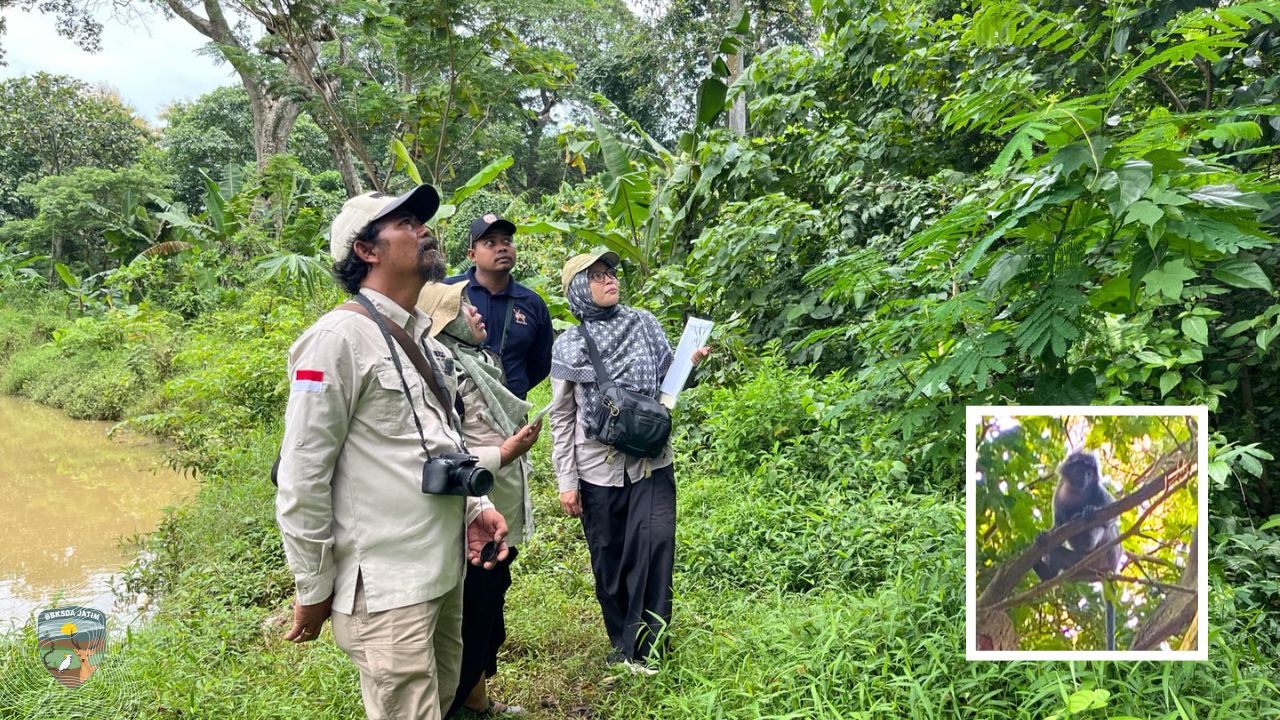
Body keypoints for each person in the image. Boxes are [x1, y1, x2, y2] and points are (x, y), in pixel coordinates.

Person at [274, 185, 539, 720]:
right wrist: (313, 584)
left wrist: (473, 509)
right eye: (405, 222)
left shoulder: (421, 337)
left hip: (443, 571)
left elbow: (437, 444)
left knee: (443, 703)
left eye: (421, 220)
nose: (423, 229)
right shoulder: (335, 340)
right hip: (388, 585)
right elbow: (303, 475)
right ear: (366, 250)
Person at [548, 249, 710, 675]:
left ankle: (650, 648)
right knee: (610, 557)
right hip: (597, 468)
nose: (609, 281)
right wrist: (566, 479)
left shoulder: (644, 324)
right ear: (578, 290)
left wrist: (687, 368)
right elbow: (563, 418)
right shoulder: (569, 344)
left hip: (652, 461)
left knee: (656, 549)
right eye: (597, 276)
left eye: (611, 273)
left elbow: (666, 388)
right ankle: (623, 644)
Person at [417, 281, 539, 717]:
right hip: (470, 508)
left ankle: (475, 697)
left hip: (497, 501)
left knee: (492, 604)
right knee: (477, 611)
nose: (476, 313)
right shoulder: (443, 367)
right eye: (462, 308)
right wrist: (505, 452)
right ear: (444, 323)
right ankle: (461, 701)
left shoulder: (483, 361)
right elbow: (445, 447)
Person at [444, 214, 552, 400]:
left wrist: (513, 389)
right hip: (460, 409)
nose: (502, 247)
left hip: (512, 413)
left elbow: (541, 363)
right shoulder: (449, 293)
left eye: (507, 241)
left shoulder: (532, 303)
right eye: (490, 242)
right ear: (472, 255)